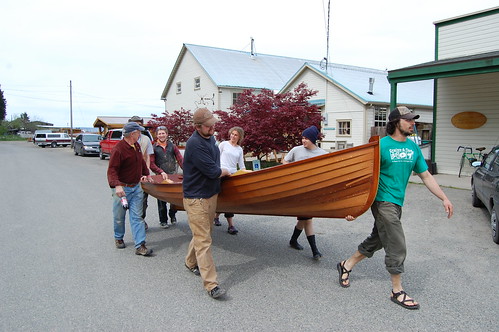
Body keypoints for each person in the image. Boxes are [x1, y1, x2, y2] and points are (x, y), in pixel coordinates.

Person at [336, 106, 454, 310]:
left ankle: (346, 264)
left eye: (413, 120)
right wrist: (354, 208)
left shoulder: (413, 148)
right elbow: (362, 179)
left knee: (380, 238)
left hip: (397, 202)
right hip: (382, 201)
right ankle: (397, 290)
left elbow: (425, 176)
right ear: (395, 122)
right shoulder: (380, 146)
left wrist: (444, 197)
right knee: (396, 242)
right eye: (408, 119)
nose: (412, 123)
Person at [183, 108, 230, 299]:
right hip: (196, 199)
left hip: (211, 195)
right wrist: (225, 172)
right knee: (204, 240)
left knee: (202, 233)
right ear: (197, 126)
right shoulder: (194, 144)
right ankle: (211, 284)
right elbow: (213, 171)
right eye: (209, 125)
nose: (213, 127)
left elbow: (213, 165)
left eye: (213, 124)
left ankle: (189, 262)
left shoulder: (210, 138)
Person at [107, 121, 154, 256]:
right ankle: (118, 237)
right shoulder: (118, 149)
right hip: (122, 189)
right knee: (119, 217)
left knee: (137, 217)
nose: (140, 134)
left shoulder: (136, 146)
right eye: (139, 132)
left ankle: (140, 245)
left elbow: (140, 162)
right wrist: (117, 185)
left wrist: (146, 174)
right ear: (133, 133)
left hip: (136, 187)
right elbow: (112, 170)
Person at [283, 125, 327, 260]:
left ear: (313, 139)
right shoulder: (296, 150)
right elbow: (284, 161)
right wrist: (292, 169)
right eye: (302, 138)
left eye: (306, 138)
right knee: (307, 218)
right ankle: (314, 251)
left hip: (313, 191)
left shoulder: (323, 154)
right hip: (298, 190)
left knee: (304, 218)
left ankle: (293, 240)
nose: (303, 141)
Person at [213, 126, 246, 234]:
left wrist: (246, 173)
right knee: (220, 196)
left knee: (229, 199)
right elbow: (215, 158)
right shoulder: (223, 144)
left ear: (239, 137)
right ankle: (218, 218)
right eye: (232, 134)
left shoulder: (239, 149)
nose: (233, 136)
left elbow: (241, 165)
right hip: (221, 173)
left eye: (236, 135)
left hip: (232, 175)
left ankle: (229, 225)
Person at [150, 126, 184, 228]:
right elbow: (151, 164)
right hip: (160, 177)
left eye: (163, 133)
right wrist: (160, 172)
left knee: (174, 198)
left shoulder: (172, 146)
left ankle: (172, 215)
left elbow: (180, 160)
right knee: (161, 200)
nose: (161, 135)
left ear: (167, 134)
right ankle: (163, 220)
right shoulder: (153, 148)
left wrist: (187, 171)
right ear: (156, 135)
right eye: (159, 133)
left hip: (172, 175)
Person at [129, 116, 154, 231]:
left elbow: (148, 157)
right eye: (134, 124)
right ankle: (135, 221)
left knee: (143, 199)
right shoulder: (125, 140)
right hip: (129, 176)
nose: (137, 127)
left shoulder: (146, 139)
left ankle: (141, 220)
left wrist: (147, 172)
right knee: (130, 201)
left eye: (139, 124)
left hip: (142, 174)